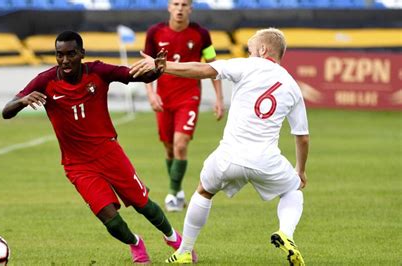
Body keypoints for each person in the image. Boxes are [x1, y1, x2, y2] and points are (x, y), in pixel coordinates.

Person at [2, 30, 196, 264]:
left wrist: (156, 70)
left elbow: (134, 76)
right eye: (59, 55)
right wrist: (22, 101)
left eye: (71, 54)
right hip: (77, 165)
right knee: (110, 219)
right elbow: (6, 111)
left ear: (81, 53)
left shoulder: (98, 71)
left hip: (109, 153)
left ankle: (174, 239)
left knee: (142, 204)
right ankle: (136, 243)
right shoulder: (45, 81)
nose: (65, 60)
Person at [130, 28, 309, 265]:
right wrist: (300, 170)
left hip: (229, 156)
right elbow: (302, 136)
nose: (249, 54)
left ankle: (184, 251)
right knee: (292, 190)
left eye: (250, 49)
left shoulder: (247, 66)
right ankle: (286, 232)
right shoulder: (293, 86)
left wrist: (163, 66)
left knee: (204, 190)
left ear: (263, 50)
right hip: (266, 159)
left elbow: (204, 69)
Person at [143, 0, 225, 212]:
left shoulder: (201, 34)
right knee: (169, 148)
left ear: (191, 8)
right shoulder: (154, 33)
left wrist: (219, 98)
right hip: (164, 97)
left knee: (180, 144)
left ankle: (172, 194)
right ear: (169, 7)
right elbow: (147, 66)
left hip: (189, 97)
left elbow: (212, 66)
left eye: (184, 4)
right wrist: (151, 94)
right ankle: (178, 190)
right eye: (176, 4)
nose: (180, 8)